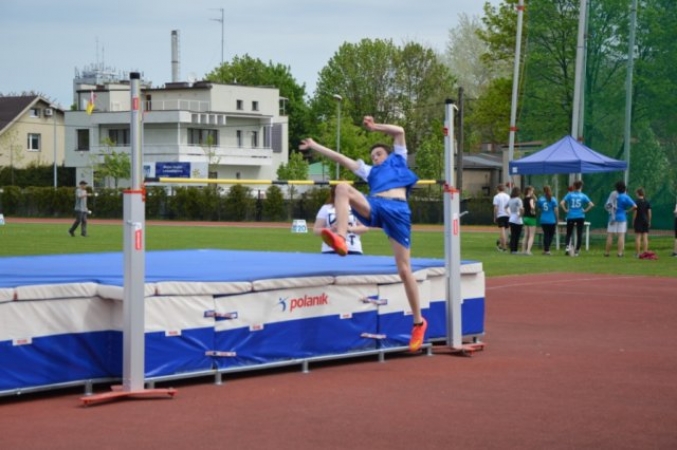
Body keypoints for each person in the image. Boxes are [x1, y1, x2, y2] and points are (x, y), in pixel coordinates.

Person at [299, 116, 427, 352]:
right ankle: (340, 237)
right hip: (376, 206)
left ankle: (418, 322)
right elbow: (341, 159)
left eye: (378, 154)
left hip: (398, 212)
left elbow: (399, 130)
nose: (374, 158)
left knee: (404, 269)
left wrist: (374, 127)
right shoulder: (370, 172)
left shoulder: (398, 159)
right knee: (342, 188)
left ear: (387, 154)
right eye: (372, 156)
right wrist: (315, 146)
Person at [313, 185, 369, 255]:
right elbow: (316, 230)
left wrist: (349, 229)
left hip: (353, 249)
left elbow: (365, 228)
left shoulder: (355, 208)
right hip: (330, 250)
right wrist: (331, 229)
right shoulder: (326, 208)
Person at [560, 180, 594, 256]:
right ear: (581, 187)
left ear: (574, 187)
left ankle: (567, 249)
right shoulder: (583, 195)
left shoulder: (569, 195)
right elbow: (591, 205)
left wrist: (566, 210)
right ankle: (577, 251)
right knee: (579, 234)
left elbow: (562, 203)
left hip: (570, 216)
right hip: (580, 216)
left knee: (569, 233)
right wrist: (585, 211)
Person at [603, 181, 636, 257]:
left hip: (612, 217)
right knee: (621, 235)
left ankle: (607, 253)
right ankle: (619, 253)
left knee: (610, 235)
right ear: (624, 188)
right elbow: (634, 206)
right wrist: (627, 211)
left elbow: (607, 206)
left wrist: (612, 211)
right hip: (622, 217)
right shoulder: (625, 196)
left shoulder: (613, 194)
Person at [536, 185, 558, 255]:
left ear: (543, 191)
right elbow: (556, 210)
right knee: (550, 235)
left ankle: (546, 250)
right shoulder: (553, 199)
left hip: (543, 219)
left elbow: (539, 209)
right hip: (551, 220)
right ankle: (547, 250)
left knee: (546, 234)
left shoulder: (541, 199)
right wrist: (557, 219)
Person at [632, 187, 651, 257]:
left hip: (638, 220)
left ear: (637, 193)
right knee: (645, 237)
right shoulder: (647, 201)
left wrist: (633, 220)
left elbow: (635, 212)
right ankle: (645, 253)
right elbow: (649, 212)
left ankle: (637, 253)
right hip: (645, 220)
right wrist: (649, 221)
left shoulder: (636, 202)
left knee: (638, 237)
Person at [492, 184, 511, 252]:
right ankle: (501, 243)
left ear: (498, 189)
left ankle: (504, 246)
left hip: (501, 214)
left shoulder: (496, 197)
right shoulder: (508, 196)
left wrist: (495, 216)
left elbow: (496, 207)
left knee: (502, 231)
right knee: (506, 231)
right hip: (508, 214)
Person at [507, 186, 523, 254]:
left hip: (511, 218)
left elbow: (505, 207)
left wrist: (509, 213)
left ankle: (512, 249)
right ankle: (515, 249)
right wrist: (520, 215)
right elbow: (521, 208)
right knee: (517, 235)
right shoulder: (518, 200)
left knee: (513, 235)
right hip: (517, 219)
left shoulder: (510, 199)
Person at [521, 186, 537, 255]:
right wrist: (533, 211)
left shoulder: (524, 199)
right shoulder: (531, 199)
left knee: (525, 235)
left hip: (525, 217)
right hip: (531, 218)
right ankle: (528, 250)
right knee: (531, 235)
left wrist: (533, 195)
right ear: (529, 191)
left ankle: (523, 250)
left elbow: (523, 208)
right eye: (532, 191)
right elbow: (532, 206)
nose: (533, 192)